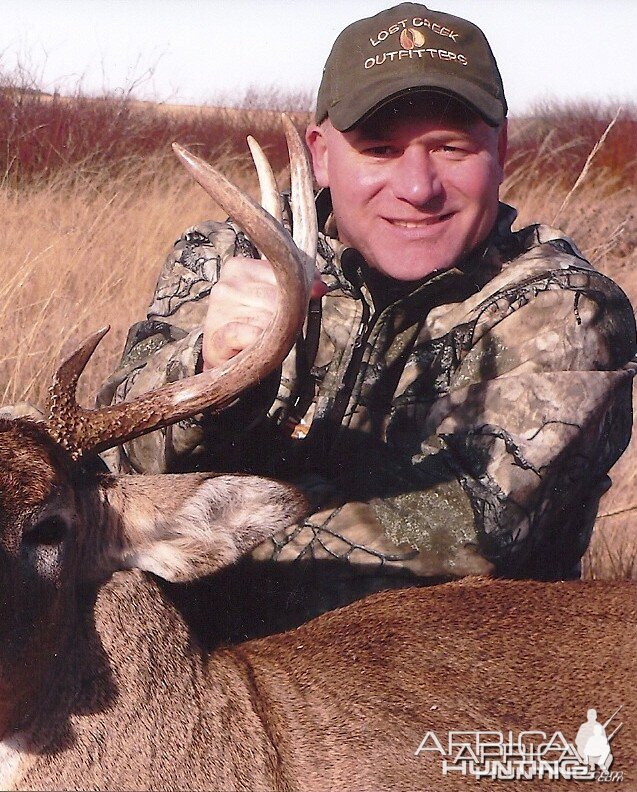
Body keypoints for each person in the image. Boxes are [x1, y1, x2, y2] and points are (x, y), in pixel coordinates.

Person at [98, 2, 636, 632]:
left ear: (502, 149)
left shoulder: (564, 310)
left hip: (438, 681)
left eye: (450, 147)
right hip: (200, 675)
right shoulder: (226, 260)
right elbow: (123, 465)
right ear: (320, 155)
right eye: (379, 149)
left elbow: (471, 525)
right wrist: (209, 366)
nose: (417, 187)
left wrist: (187, 543)